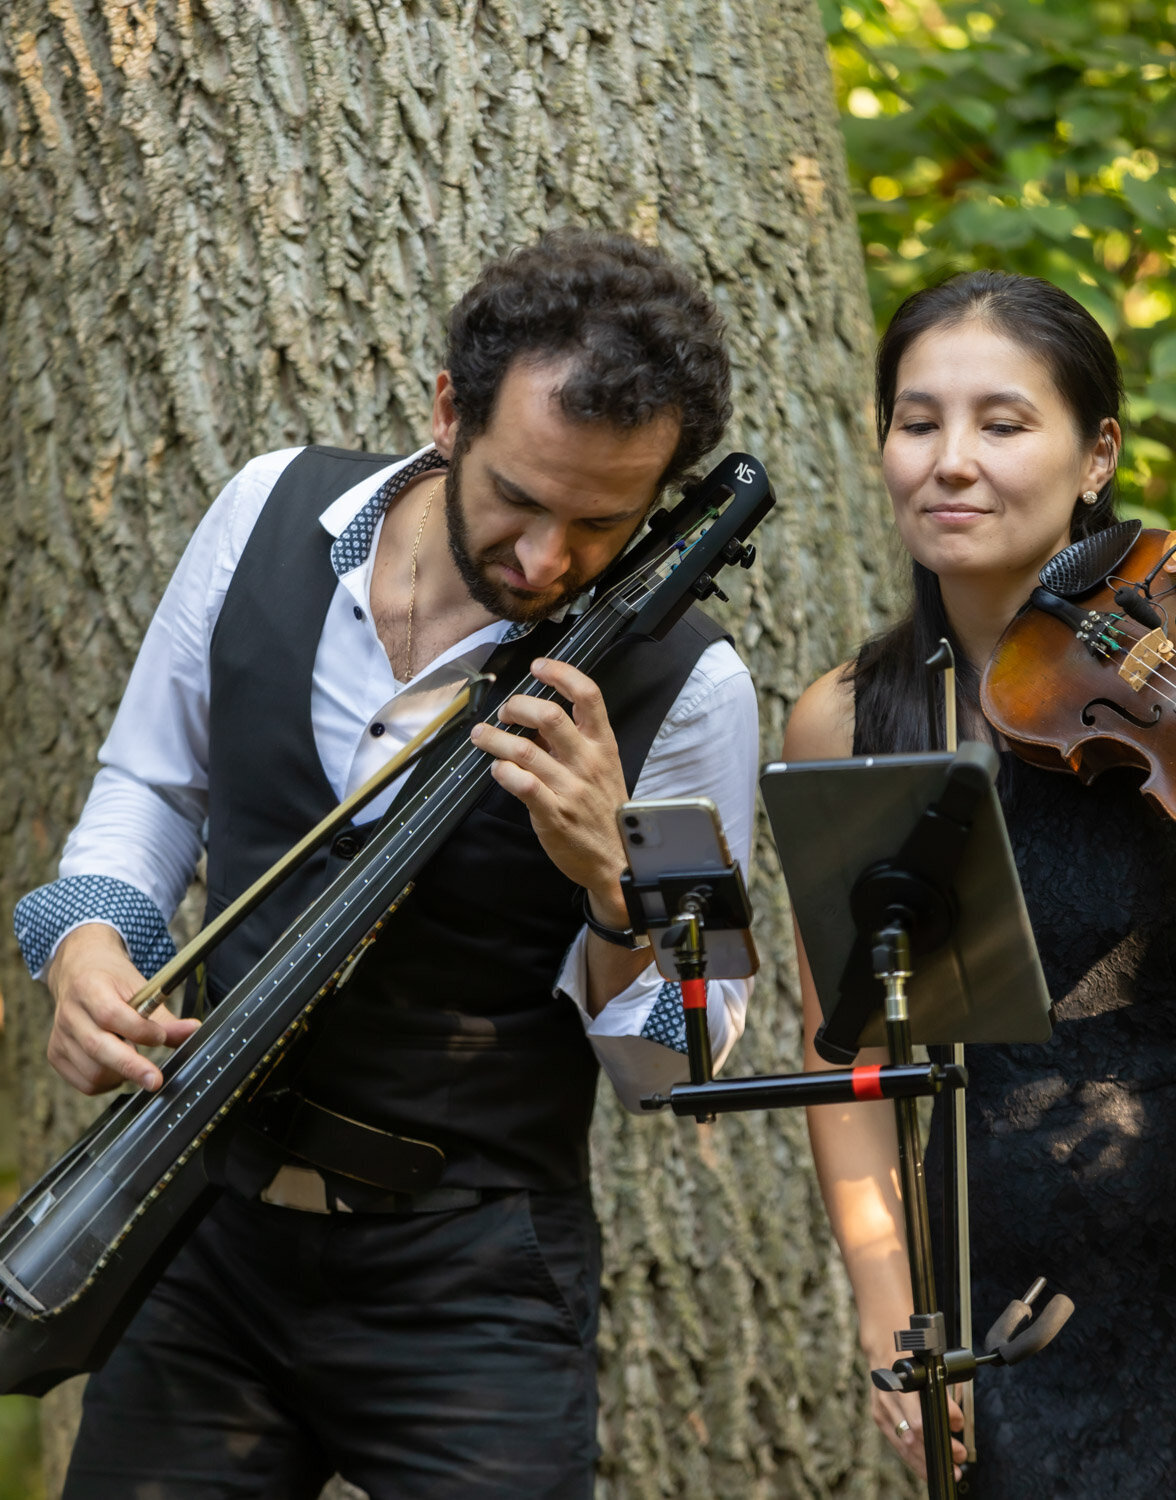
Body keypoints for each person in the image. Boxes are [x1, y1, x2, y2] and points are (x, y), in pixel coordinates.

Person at [13, 228, 759, 1499]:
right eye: (516, 497)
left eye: (599, 522)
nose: (541, 561)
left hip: (470, 1288)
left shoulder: (690, 690)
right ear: (446, 413)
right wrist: (89, 945)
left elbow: (679, 1052)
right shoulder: (267, 510)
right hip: (200, 1236)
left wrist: (609, 886)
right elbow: (150, 783)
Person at [783, 270, 1176, 1497]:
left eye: (1001, 423)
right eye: (919, 422)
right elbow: (846, 1053)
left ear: (1094, 456)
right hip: (1009, 1302)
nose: (950, 461)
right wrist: (892, 1317)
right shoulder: (850, 720)